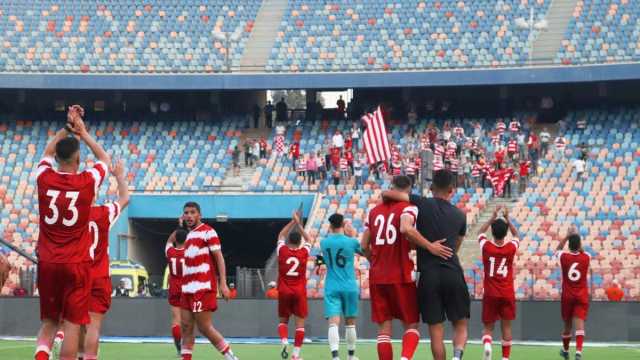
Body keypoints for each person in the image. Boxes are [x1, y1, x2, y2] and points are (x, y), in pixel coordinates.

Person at [35, 105, 110, 360]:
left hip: (47, 262)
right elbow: (105, 162)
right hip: (76, 264)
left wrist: (66, 128)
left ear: (56, 158)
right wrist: (83, 132)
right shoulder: (87, 181)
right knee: (71, 325)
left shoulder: (43, 177)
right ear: (78, 160)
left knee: (48, 324)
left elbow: (47, 152)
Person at [362, 175, 452, 360]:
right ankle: (405, 358)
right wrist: (428, 246)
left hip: (378, 276)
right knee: (411, 325)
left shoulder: (373, 212)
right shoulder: (409, 208)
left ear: (392, 187)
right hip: (401, 274)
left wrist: (374, 261)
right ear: (409, 191)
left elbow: (363, 246)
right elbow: (407, 231)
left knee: (383, 330)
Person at [384, 169, 469, 360]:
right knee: (461, 325)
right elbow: (456, 246)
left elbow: (387, 193)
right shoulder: (460, 216)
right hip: (452, 273)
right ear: (452, 190)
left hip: (428, 275)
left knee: (435, 332)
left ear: (431, 188)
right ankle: (457, 357)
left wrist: (428, 246)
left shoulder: (420, 203)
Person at [80, 160, 130, 360]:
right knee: (94, 325)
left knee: (74, 324)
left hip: (77, 274)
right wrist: (118, 175)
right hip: (99, 276)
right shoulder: (103, 213)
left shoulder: (71, 216)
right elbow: (125, 198)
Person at [178, 202, 237, 360]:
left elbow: (219, 258)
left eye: (192, 212)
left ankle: (231, 357)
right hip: (187, 289)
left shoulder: (208, 232)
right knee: (186, 327)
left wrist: (223, 283)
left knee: (204, 327)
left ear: (199, 215)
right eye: (186, 213)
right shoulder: (186, 235)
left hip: (202, 287)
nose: (189, 215)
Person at [477, 207, 519, 360]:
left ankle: (488, 344)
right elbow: (517, 235)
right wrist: (507, 219)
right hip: (507, 292)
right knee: (506, 326)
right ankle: (505, 358)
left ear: (493, 233)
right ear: (505, 233)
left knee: (488, 327)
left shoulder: (486, 247)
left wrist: (491, 218)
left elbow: (480, 233)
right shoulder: (510, 248)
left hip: (490, 292)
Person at [320, 214, 361, 360]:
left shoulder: (324, 243)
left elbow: (322, 260)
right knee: (350, 322)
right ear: (343, 224)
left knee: (333, 322)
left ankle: (335, 356)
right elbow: (364, 251)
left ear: (330, 226)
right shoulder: (352, 242)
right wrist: (352, 235)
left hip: (332, 285)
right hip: (349, 285)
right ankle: (351, 356)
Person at [276, 212, 312, 360]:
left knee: (283, 321)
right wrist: (299, 224)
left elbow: (280, 235)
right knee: (300, 324)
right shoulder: (304, 252)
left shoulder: (282, 251)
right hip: (299, 291)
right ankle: (295, 355)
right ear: (299, 243)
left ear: (289, 241)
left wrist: (292, 222)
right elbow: (309, 239)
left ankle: (284, 340)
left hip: (284, 290)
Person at [556, 226, 590, 360]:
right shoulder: (586, 257)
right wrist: (576, 239)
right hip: (581, 295)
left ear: (569, 246)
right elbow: (582, 251)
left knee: (567, 324)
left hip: (567, 295)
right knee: (580, 323)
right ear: (580, 245)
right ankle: (578, 352)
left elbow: (558, 249)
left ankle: (565, 350)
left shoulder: (564, 257)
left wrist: (567, 236)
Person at [166, 226, 189, 355]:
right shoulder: (189, 253)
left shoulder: (169, 251)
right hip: (186, 287)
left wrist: (177, 228)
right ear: (186, 240)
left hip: (174, 287)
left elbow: (169, 240)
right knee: (187, 320)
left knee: (176, 319)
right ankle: (186, 347)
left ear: (176, 239)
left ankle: (178, 347)